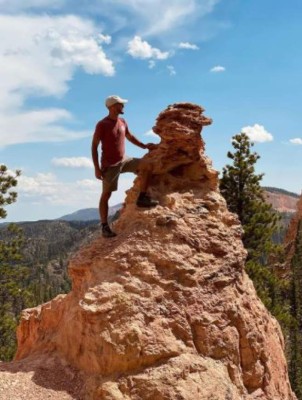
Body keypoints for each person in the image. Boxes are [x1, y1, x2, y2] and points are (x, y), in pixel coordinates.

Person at [91, 95, 159, 238]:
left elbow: (129, 136)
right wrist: (96, 168)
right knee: (106, 194)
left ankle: (142, 198)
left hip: (124, 160)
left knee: (148, 166)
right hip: (110, 165)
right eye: (121, 104)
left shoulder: (122, 121)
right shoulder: (102, 124)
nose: (123, 107)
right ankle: (104, 226)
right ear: (113, 106)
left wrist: (144, 146)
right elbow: (94, 146)